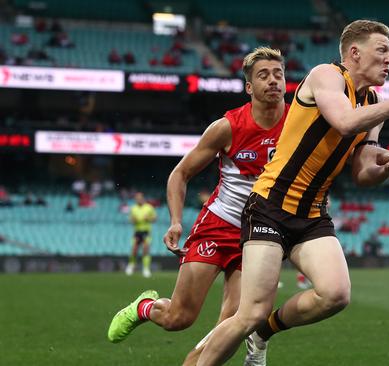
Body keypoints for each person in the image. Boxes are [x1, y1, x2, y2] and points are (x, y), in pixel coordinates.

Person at [195, 19, 389, 366]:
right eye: (382, 50)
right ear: (354, 53)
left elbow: (364, 171)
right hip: (270, 205)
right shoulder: (326, 76)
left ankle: (265, 332)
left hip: (313, 213)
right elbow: (346, 122)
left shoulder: (372, 100)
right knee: (249, 312)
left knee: (336, 294)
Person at [106, 47, 289, 365]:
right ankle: (145, 308)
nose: (273, 80)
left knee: (232, 325)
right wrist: (176, 221)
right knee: (179, 318)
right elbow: (180, 174)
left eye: (278, 74)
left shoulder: (299, 122)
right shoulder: (228, 127)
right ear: (249, 87)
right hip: (219, 226)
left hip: (259, 234)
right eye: (263, 75)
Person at [124, 192, 157, 277]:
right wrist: (133, 220)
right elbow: (131, 219)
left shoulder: (149, 207)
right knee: (134, 249)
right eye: (136, 198)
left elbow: (154, 219)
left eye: (139, 198)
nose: (138, 199)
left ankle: (146, 269)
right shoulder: (133, 208)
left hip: (146, 231)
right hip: (137, 231)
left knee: (145, 249)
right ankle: (131, 265)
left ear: (143, 198)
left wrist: (148, 218)